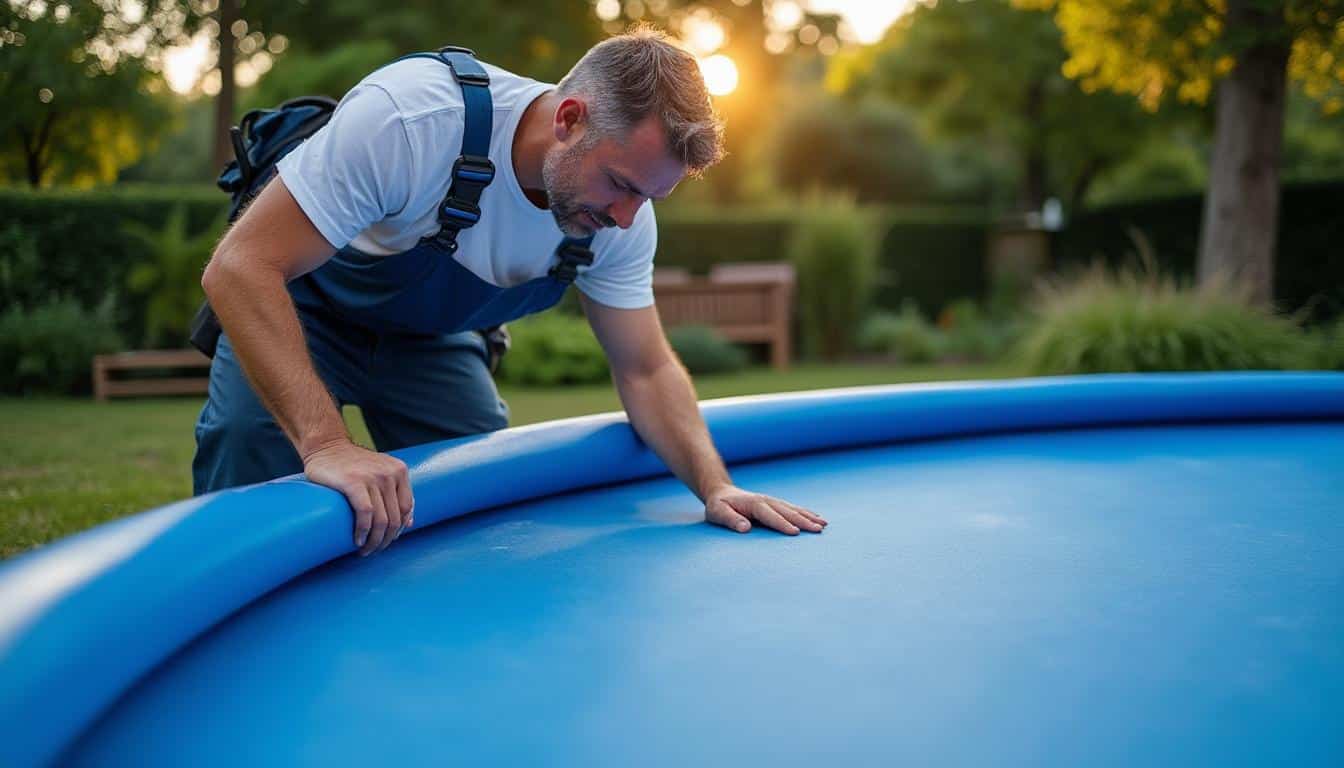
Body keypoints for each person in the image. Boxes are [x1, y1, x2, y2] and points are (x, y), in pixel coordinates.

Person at [194, 27, 827, 557]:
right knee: (251, 459)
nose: (628, 218)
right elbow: (241, 267)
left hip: (433, 343)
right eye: (621, 185)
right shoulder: (413, 120)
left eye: (649, 197)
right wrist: (329, 446)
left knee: (479, 501)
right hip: (303, 307)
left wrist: (714, 486)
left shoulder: (619, 220)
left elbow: (646, 367)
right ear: (570, 118)